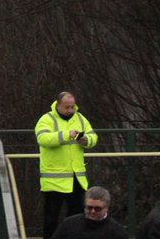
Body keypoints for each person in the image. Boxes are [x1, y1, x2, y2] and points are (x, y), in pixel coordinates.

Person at [35, 91, 98, 239]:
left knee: (77, 217)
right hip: (54, 180)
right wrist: (65, 134)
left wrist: (86, 140)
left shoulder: (80, 118)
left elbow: (94, 136)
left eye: (72, 106)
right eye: (67, 107)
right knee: (51, 219)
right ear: (58, 105)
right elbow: (43, 138)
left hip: (76, 179)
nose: (70, 110)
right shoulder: (46, 119)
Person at [51, 186, 127, 238]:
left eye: (97, 208)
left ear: (107, 207)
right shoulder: (68, 224)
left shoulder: (117, 232)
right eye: (89, 207)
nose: (92, 211)